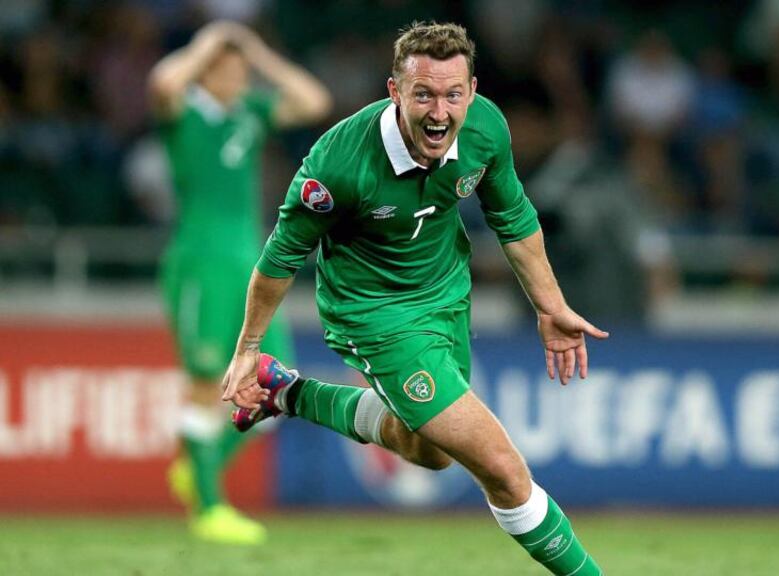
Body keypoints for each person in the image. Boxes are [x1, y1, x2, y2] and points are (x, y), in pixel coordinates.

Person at [221, 22, 607, 575]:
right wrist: (246, 347)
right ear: (394, 91)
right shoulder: (337, 166)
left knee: (430, 451)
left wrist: (551, 306)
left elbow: (514, 218)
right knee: (501, 466)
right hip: (373, 313)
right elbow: (279, 261)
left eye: (453, 95)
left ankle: (288, 393)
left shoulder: (485, 129)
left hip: (446, 293)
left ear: (471, 93)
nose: (439, 112)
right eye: (423, 94)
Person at [148, 20, 331, 544]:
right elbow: (162, 84)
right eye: (226, 70)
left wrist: (255, 50)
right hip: (199, 261)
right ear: (204, 74)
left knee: (275, 386)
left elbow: (313, 100)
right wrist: (209, 42)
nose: (238, 78)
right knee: (207, 382)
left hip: (249, 264)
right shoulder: (184, 113)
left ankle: (196, 465)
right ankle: (208, 506)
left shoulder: (249, 113)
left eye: (241, 71)